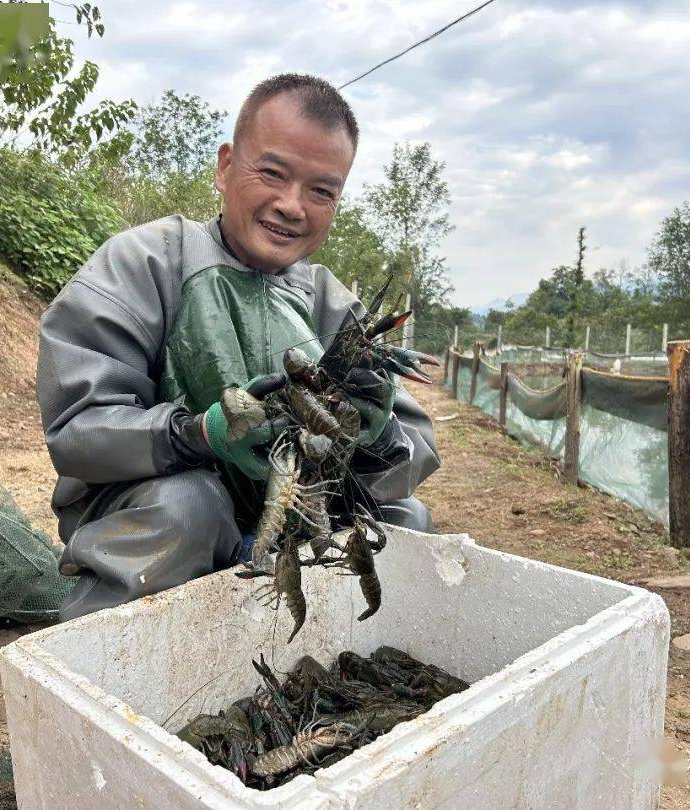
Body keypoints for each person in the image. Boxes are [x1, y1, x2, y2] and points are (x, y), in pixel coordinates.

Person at [37, 73, 441, 621]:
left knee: (405, 518)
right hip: (156, 502)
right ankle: (95, 671)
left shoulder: (336, 307)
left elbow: (414, 450)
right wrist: (199, 432)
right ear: (226, 166)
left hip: (293, 508)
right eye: (271, 173)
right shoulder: (142, 264)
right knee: (191, 506)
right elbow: (78, 433)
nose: (292, 205)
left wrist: (373, 435)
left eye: (321, 190)